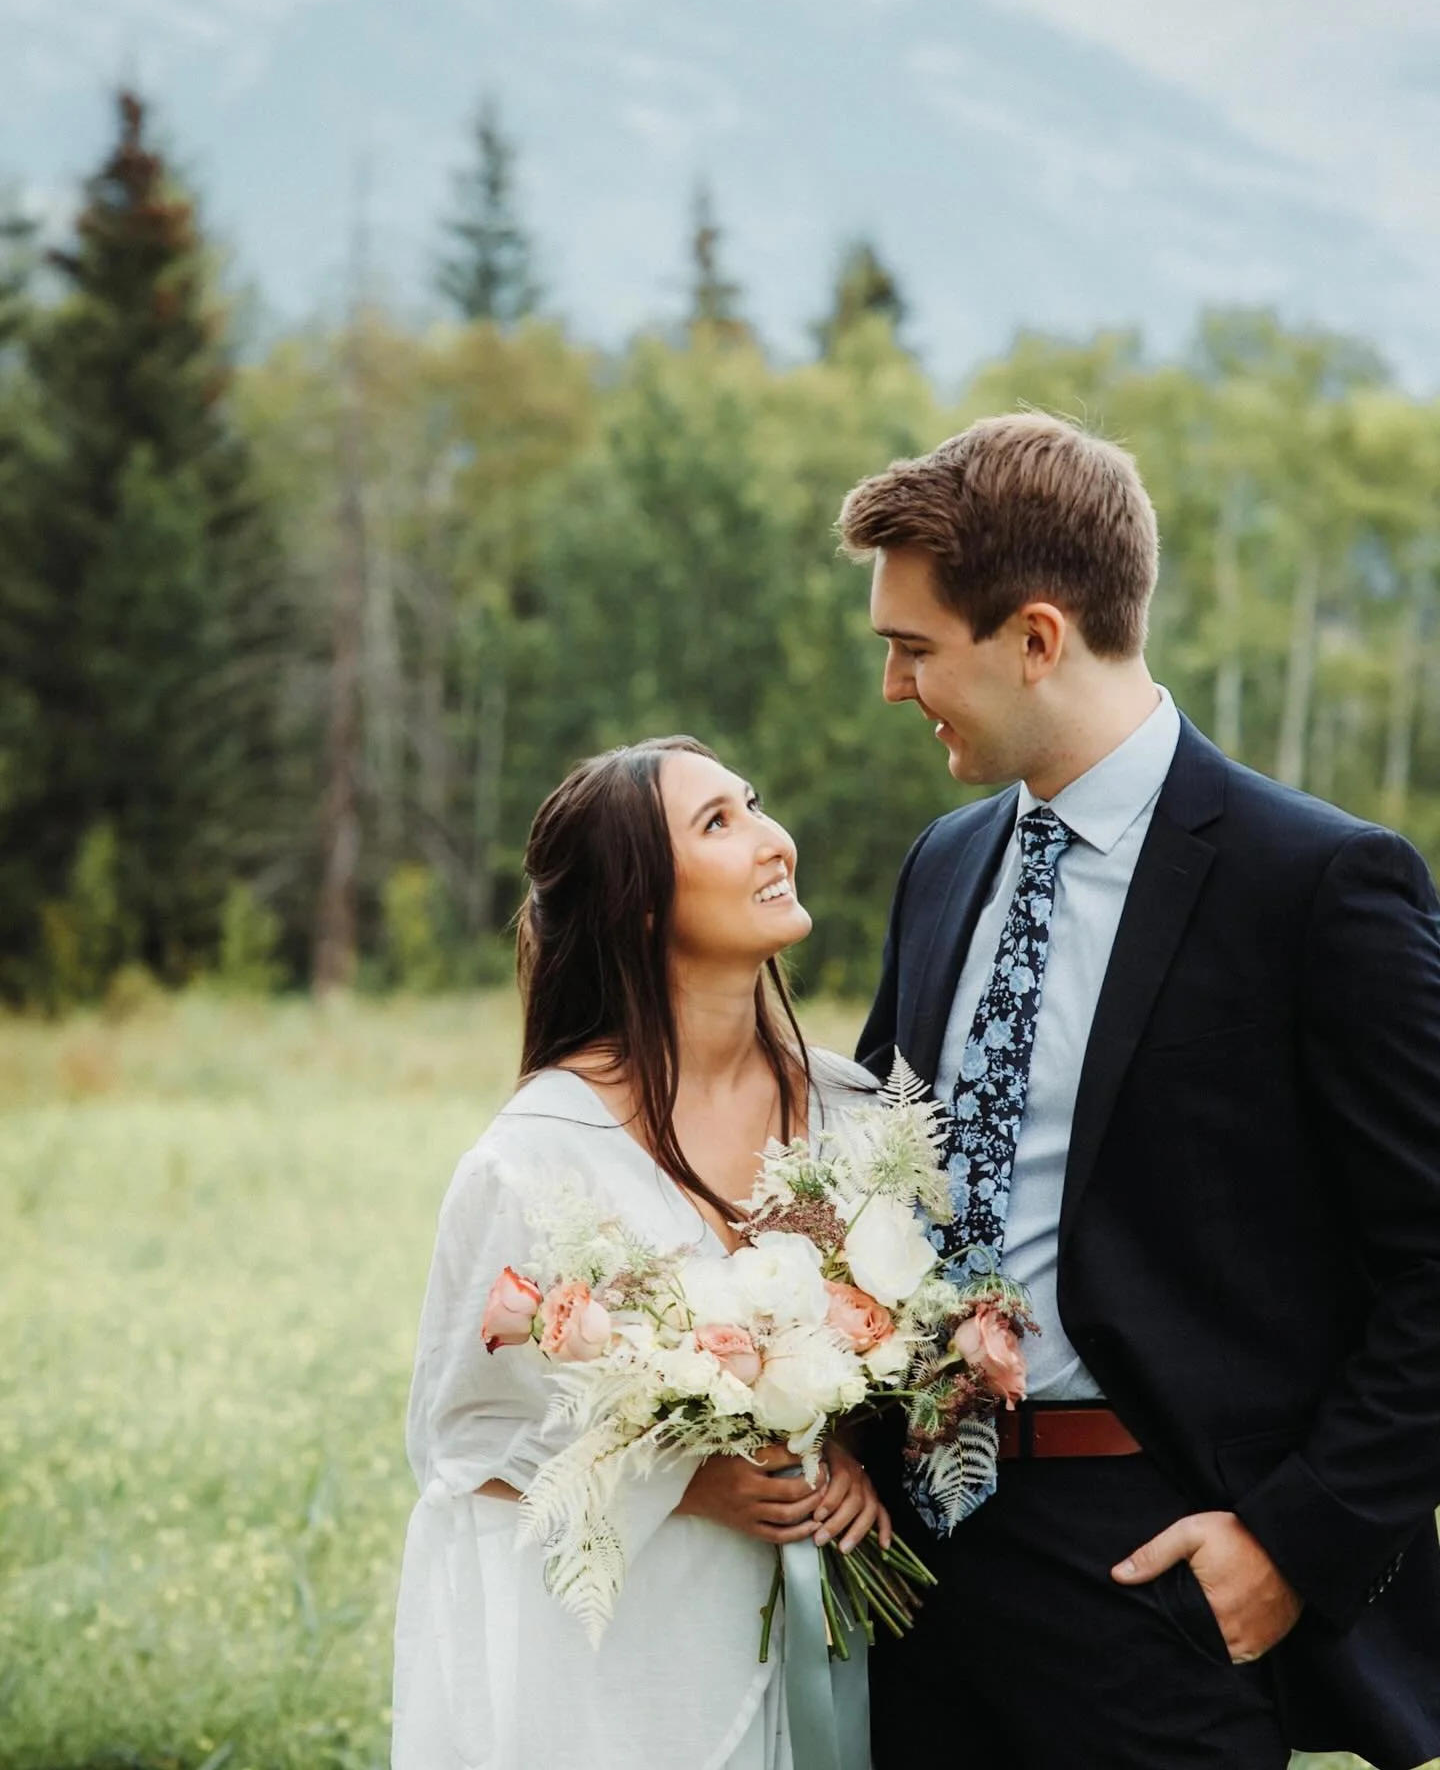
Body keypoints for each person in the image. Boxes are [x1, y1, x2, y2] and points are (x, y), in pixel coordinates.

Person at [836, 413, 1440, 1770]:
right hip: (916, 1574)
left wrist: (1291, 1542)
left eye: (915, 649)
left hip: (1152, 1577)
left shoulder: (1319, 887)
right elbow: (875, 1172)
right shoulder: (942, 862)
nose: (895, 687)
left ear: (1038, 637)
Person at [392, 735, 884, 1770]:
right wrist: (685, 1480)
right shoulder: (537, 1158)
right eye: (719, 824)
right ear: (642, 904)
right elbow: (463, 1441)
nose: (770, 839)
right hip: (628, 1661)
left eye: (753, 803)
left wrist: (850, 1461)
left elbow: (898, 1339)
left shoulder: (851, 1114)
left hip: (822, 1630)